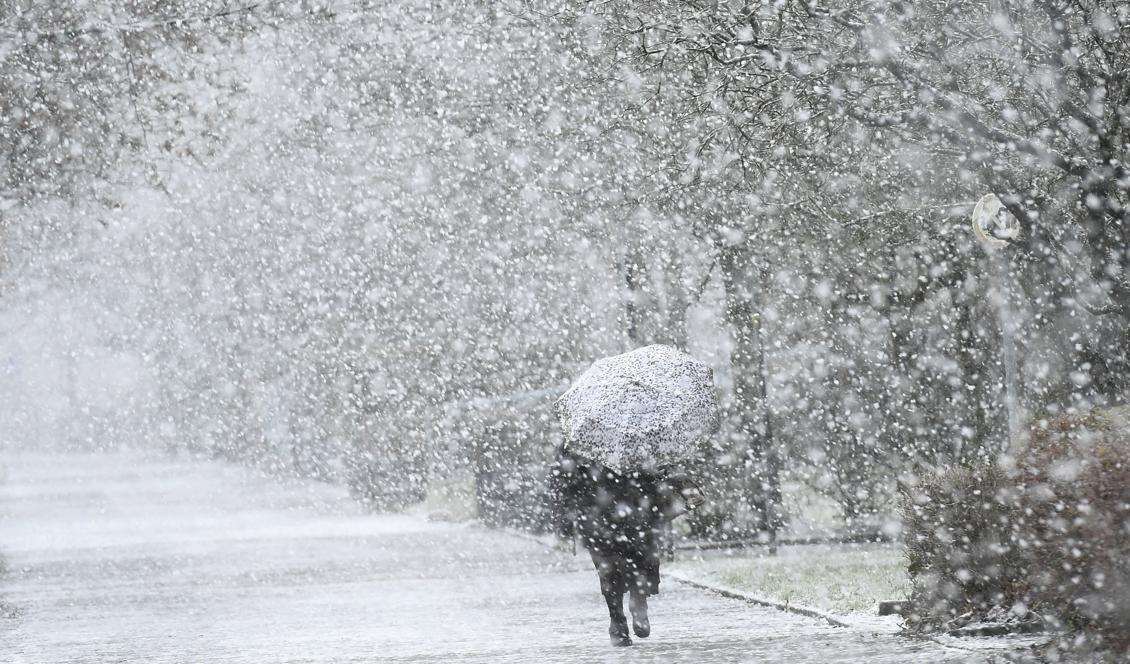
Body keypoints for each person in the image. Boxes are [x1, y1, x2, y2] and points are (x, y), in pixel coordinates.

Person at [547, 445, 703, 647]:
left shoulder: (584, 438)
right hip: (606, 516)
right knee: (612, 568)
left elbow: (564, 481)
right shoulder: (580, 442)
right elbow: (565, 480)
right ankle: (619, 618)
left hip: (631, 512)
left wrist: (659, 472)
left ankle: (632, 609)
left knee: (634, 563)